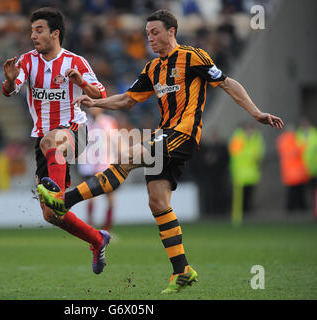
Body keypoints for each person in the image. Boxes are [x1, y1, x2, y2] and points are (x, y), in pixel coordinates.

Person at [37, 9, 284, 294]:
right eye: (147, 35)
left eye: (155, 33)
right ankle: (182, 270)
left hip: (182, 135)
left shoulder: (193, 57)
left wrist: (256, 113)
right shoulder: (153, 69)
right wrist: (95, 103)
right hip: (164, 135)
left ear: (171, 31)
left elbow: (227, 83)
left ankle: (63, 200)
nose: (151, 39)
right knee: (157, 202)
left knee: (128, 158)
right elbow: (128, 100)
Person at [2, 7, 111, 275]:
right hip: (45, 143)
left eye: (39, 30)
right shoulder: (26, 61)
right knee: (51, 215)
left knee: (52, 141)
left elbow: (101, 94)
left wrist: (81, 84)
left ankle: (60, 195)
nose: (33, 35)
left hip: (75, 132)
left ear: (55, 33)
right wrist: (8, 80)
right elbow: (12, 89)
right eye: (31, 31)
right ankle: (97, 240)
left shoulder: (76, 62)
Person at [77, 108, 119, 232]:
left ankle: (107, 230)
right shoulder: (83, 122)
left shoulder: (108, 121)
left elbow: (115, 141)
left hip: (106, 166)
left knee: (111, 198)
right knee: (91, 197)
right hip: (89, 166)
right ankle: (90, 229)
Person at [228, 124, 265, 216]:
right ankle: (239, 217)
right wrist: (251, 155)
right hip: (240, 173)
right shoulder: (238, 139)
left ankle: (247, 217)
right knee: (239, 199)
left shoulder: (256, 139)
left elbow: (260, 154)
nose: (249, 132)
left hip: (251, 174)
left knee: (249, 197)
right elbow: (235, 154)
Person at [276, 124, 310, 212]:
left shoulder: (283, 139)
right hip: (294, 171)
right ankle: (295, 208)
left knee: (296, 191)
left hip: (291, 171)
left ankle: (294, 208)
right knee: (296, 191)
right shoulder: (292, 140)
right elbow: (298, 151)